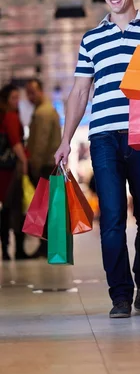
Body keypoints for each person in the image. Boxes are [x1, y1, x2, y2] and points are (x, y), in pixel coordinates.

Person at [54, 0, 140, 319]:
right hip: (103, 136)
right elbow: (80, 91)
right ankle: (120, 294)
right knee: (113, 217)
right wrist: (65, 139)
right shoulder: (91, 39)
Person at [25, 78, 62, 258]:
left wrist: (33, 166)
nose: (29, 97)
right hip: (52, 165)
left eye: (32, 92)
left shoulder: (42, 113)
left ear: (40, 91)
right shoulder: (48, 110)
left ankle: (45, 246)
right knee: (50, 208)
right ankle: (49, 246)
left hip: (45, 165)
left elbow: (40, 144)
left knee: (43, 208)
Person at [0, 83, 29, 261]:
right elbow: (16, 142)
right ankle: (17, 249)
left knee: (5, 209)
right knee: (15, 209)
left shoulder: (3, 116)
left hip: (2, 170)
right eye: (14, 98)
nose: (17, 101)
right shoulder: (10, 116)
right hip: (10, 170)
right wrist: (24, 161)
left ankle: (4, 249)